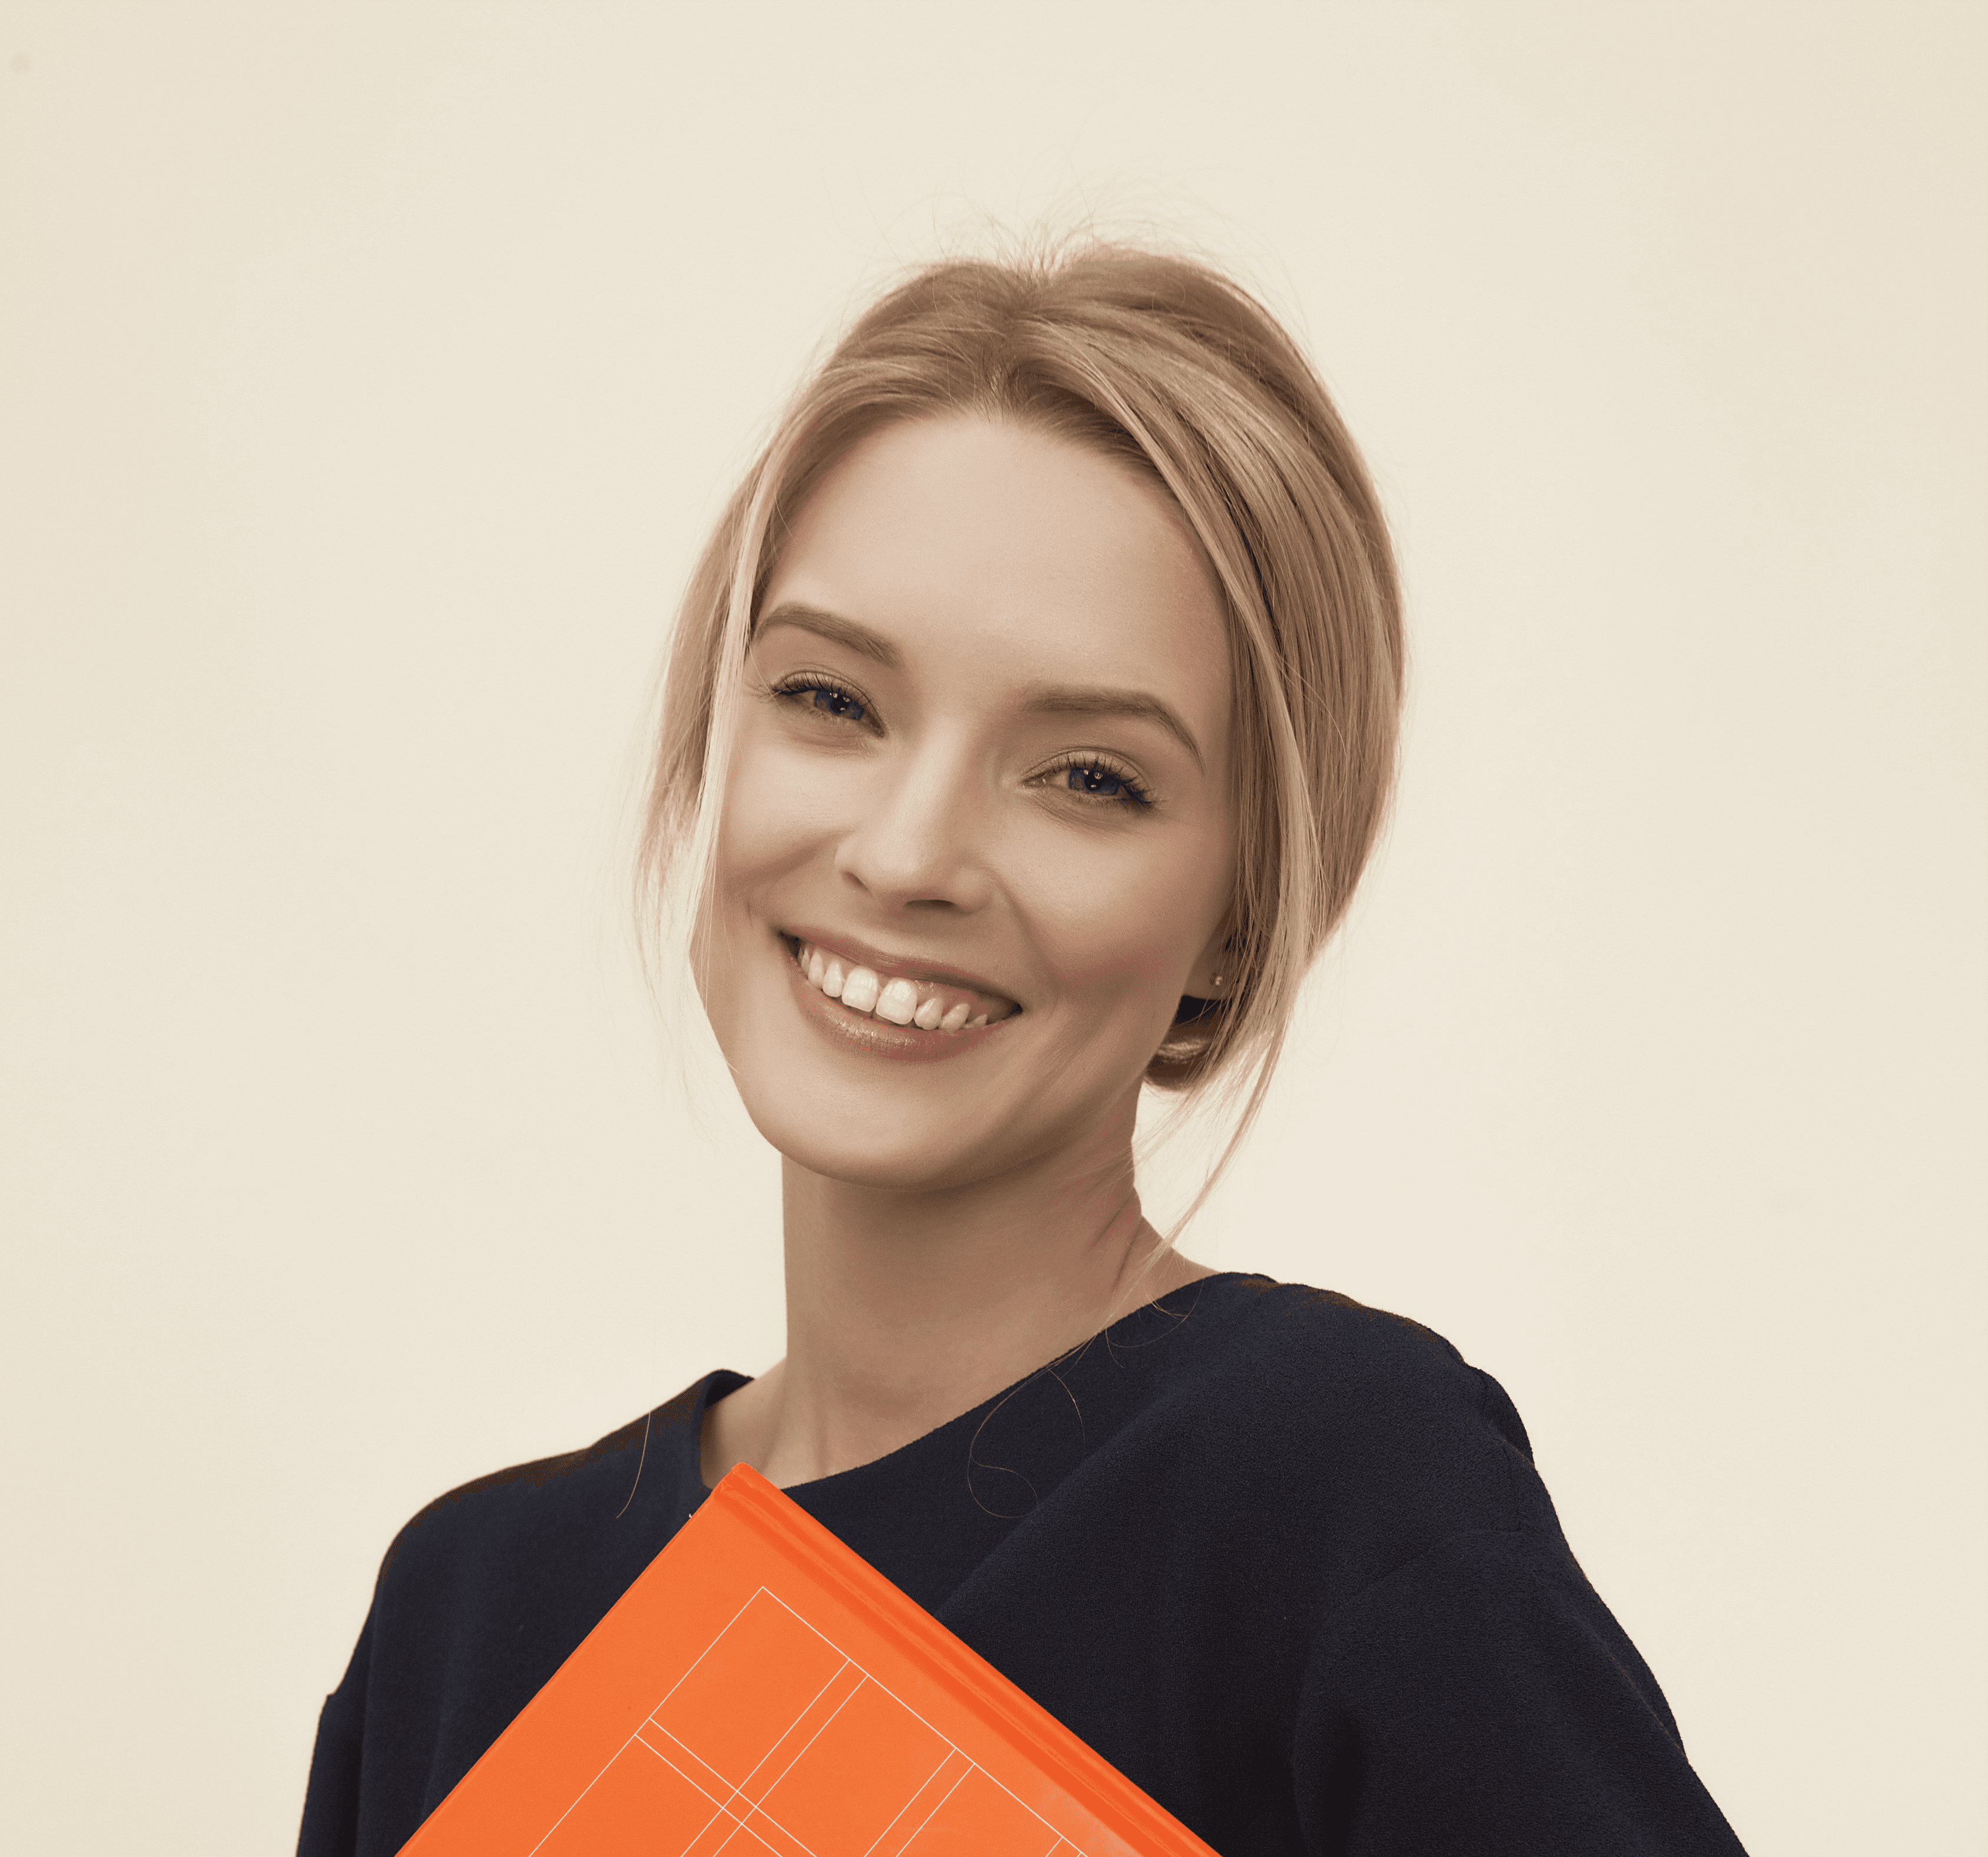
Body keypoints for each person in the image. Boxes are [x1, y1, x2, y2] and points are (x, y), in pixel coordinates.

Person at [296, 241, 1750, 1855]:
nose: (908, 854)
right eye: (831, 699)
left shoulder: (1332, 1491)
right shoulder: (467, 1612)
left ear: (1241, 918)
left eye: (1089, 778)